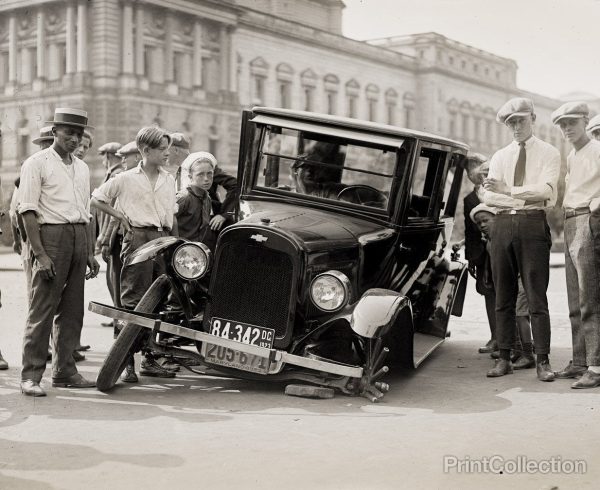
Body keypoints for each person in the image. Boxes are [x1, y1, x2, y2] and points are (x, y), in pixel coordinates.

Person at [17, 108, 100, 396]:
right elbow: (27, 211)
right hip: (50, 236)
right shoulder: (36, 163)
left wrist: (88, 251)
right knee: (42, 309)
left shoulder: (82, 167)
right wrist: (40, 254)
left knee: (73, 310)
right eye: (69, 132)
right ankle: (30, 375)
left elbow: (86, 213)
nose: (74, 139)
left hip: (78, 236)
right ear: (54, 131)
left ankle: (65, 370)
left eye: (79, 134)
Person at [482, 97, 560, 382]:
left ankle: (543, 360)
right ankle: (504, 358)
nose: (515, 127)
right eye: (510, 122)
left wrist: (509, 189)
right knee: (503, 294)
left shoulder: (550, 153)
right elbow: (488, 195)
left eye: (520, 120)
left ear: (533, 119)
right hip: (502, 223)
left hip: (532, 224)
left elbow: (547, 192)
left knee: (536, 295)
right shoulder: (501, 156)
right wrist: (514, 192)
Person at [91, 126, 178, 380]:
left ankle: (149, 359)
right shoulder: (126, 178)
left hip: (163, 239)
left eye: (168, 149)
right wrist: (121, 218)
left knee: (158, 301)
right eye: (162, 149)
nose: (167, 154)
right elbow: (96, 199)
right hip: (138, 238)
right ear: (145, 150)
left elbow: (171, 214)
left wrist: (175, 242)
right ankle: (126, 362)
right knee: (132, 303)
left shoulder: (169, 179)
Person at [551, 102, 600, 389]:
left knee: (589, 297)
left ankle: (595, 365)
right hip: (571, 221)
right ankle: (580, 360)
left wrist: (596, 205)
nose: (567, 129)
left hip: (587, 220)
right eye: (562, 125)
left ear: (585, 121)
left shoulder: (597, 149)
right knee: (574, 298)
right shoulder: (573, 155)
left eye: (572, 122)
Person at [469, 204, 535, 370]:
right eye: (479, 223)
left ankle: (528, 355)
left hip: (522, 280)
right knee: (511, 314)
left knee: (521, 315)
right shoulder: (490, 242)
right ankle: (517, 349)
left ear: (497, 219)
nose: (482, 225)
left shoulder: (506, 237)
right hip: (511, 282)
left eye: (486, 220)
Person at [462, 153, 496, 354]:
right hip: (482, 256)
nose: (471, 173)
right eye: (468, 169)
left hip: (500, 250)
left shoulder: (497, 192)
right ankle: (495, 337)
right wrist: (471, 258)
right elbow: (469, 230)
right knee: (488, 294)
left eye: (475, 166)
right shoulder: (469, 199)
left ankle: (513, 340)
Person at [176, 152, 218, 250]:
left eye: (209, 174)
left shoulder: (207, 198)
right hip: (180, 250)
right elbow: (168, 223)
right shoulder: (184, 198)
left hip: (197, 251)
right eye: (200, 175)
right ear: (190, 177)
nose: (206, 179)